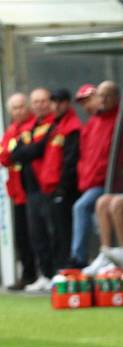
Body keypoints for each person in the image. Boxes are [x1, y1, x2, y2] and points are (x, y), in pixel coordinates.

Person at [69, 80, 123, 268]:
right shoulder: (94, 121)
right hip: (91, 182)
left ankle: (80, 258)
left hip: (109, 183)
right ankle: (105, 254)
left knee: (82, 207)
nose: (103, 100)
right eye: (101, 96)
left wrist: (117, 175)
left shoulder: (122, 119)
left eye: (107, 96)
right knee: (93, 212)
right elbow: (86, 154)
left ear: (116, 98)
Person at [10, 88, 55, 293]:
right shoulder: (30, 127)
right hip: (28, 190)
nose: (39, 105)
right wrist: (23, 153)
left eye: (42, 101)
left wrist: (23, 153)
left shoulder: (52, 124)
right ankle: (44, 274)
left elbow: (35, 150)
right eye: (35, 101)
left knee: (50, 232)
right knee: (35, 234)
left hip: (48, 186)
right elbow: (10, 155)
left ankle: (53, 274)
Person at [38, 89, 82, 270]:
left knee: (64, 231)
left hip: (64, 190)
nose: (55, 106)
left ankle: (67, 268)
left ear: (67, 103)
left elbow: (70, 161)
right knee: (55, 231)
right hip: (51, 188)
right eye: (53, 102)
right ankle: (58, 269)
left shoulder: (72, 126)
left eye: (59, 102)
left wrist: (62, 188)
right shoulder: (55, 126)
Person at [0, 92, 37, 290]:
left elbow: (23, 154)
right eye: (15, 108)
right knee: (22, 235)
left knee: (36, 234)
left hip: (32, 188)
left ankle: (43, 273)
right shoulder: (11, 130)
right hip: (17, 192)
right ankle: (28, 274)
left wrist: (15, 155)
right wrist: (15, 155)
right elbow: (4, 157)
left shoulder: (33, 126)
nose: (19, 110)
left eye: (22, 106)